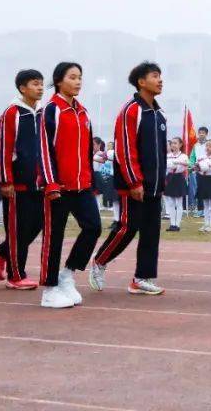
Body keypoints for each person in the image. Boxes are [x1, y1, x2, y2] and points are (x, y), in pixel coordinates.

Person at [89, 61, 168, 296]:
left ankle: (141, 278)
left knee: (151, 232)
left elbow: (161, 152)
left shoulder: (159, 114)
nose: (160, 80)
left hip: (154, 185)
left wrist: (160, 182)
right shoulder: (131, 110)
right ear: (141, 82)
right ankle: (99, 261)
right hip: (133, 185)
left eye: (161, 76)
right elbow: (125, 149)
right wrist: (135, 181)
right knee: (127, 227)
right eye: (155, 76)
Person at [39, 61, 102, 309]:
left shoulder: (83, 112)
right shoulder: (51, 110)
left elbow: (87, 151)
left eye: (80, 77)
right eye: (72, 77)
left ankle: (67, 274)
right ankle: (49, 289)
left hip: (81, 185)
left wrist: (91, 180)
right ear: (58, 81)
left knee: (93, 227)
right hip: (58, 187)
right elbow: (44, 149)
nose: (78, 81)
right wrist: (51, 182)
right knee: (54, 237)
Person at [0, 70, 55, 292]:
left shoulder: (42, 113)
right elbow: (4, 149)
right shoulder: (12, 113)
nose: (40, 88)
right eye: (35, 84)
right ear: (22, 88)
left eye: (41, 84)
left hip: (39, 183)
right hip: (16, 183)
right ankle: (16, 275)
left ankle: (1, 252)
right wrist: (5, 181)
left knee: (37, 224)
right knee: (17, 229)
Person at [164, 138, 189, 232]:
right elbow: (166, 166)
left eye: (175, 143)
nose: (173, 145)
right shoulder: (168, 155)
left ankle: (177, 224)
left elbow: (187, 163)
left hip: (178, 178)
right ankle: (172, 224)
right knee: (170, 202)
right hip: (170, 178)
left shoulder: (183, 156)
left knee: (178, 202)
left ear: (180, 144)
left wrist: (177, 162)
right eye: (172, 143)